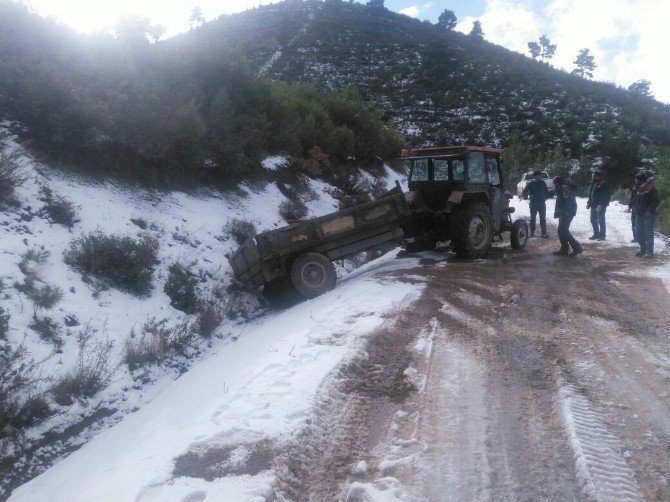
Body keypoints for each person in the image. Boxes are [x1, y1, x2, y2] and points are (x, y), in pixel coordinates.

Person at [553, 176, 583, 256]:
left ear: (557, 182)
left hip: (567, 212)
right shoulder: (562, 188)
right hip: (564, 212)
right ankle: (564, 249)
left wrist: (566, 212)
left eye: (554, 183)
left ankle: (577, 247)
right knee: (561, 230)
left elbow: (568, 200)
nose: (553, 185)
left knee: (563, 231)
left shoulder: (564, 188)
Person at [634, 172, 660, 258]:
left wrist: (649, 210)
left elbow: (656, 201)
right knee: (638, 233)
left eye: (636, 179)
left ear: (640, 180)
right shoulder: (638, 189)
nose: (635, 181)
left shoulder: (651, 189)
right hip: (639, 214)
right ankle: (643, 250)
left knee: (648, 233)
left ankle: (649, 252)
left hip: (648, 214)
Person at [521, 170, 549, 238]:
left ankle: (544, 233)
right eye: (538, 175)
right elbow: (524, 191)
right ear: (535, 176)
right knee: (532, 219)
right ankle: (532, 234)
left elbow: (547, 192)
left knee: (542, 219)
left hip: (542, 203)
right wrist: (525, 197)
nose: (540, 177)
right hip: (533, 204)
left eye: (540, 175)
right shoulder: (531, 184)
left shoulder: (543, 183)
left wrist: (545, 198)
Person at [586, 171, 611, 241]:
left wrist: (602, 204)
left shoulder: (604, 184)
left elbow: (606, 196)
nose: (593, 177)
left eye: (594, 176)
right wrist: (589, 203)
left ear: (598, 176)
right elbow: (591, 195)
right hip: (593, 205)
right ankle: (596, 234)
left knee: (601, 220)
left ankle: (602, 235)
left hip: (601, 206)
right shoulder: (593, 184)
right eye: (592, 176)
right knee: (593, 220)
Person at [628, 177, 639, 243]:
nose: (635, 180)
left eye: (636, 179)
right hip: (634, 207)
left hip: (639, 208)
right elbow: (632, 197)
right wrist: (630, 206)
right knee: (633, 222)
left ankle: (640, 237)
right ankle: (635, 237)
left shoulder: (643, 187)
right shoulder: (634, 187)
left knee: (638, 223)